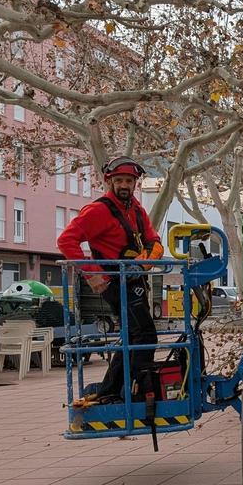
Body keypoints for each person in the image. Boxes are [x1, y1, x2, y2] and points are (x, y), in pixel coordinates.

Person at [58, 156, 164, 404]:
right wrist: (93, 275)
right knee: (145, 335)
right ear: (110, 182)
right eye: (119, 181)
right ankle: (135, 391)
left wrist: (148, 257)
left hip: (134, 281)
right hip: (114, 283)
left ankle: (110, 391)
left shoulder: (136, 209)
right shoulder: (99, 210)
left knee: (133, 337)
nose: (124, 185)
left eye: (129, 180)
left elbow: (153, 239)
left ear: (135, 183)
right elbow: (66, 240)